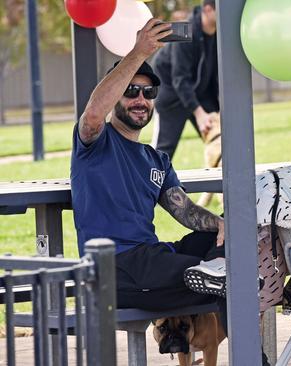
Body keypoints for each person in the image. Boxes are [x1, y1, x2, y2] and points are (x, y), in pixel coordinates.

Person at [70, 18, 229, 313]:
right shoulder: (95, 142)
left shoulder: (156, 159)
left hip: (151, 259)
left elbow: (185, 211)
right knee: (223, 278)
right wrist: (139, 53)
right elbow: (93, 114)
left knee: (228, 237)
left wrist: (222, 225)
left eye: (148, 92)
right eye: (130, 91)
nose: (140, 99)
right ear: (115, 96)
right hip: (115, 266)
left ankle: (218, 275)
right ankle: (216, 275)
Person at [152, 0, 220, 159]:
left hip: (200, 94)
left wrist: (217, 110)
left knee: (224, 142)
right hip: (171, 94)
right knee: (162, 153)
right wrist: (199, 113)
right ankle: (145, 183)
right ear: (208, 9)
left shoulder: (220, 34)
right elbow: (179, 79)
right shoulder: (183, 29)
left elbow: (214, 76)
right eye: (221, 11)